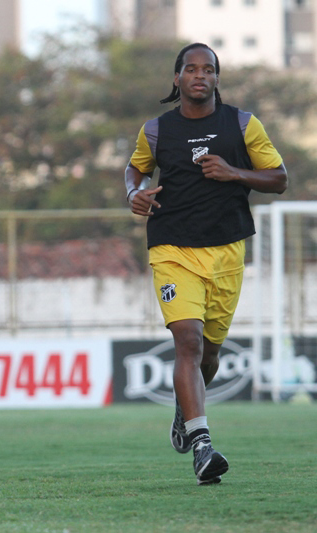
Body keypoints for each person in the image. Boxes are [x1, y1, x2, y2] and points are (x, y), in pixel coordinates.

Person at [124, 43, 287, 485]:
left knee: (209, 354)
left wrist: (236, 173)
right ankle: (202, 446)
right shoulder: (156, 130)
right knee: (188, 344)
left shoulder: (242, 124)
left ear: (217, 78)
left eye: (208, 69)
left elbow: (279, 178)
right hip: (171, 248)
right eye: (190, 69)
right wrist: (132, 193)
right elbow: (135, 170)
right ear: (176, 79)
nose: (200, 75)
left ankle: (184, 407)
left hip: (228, 250)